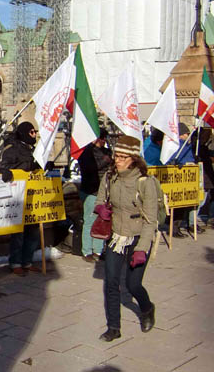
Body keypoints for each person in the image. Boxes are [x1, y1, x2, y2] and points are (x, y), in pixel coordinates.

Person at [96, 136, 157, 342]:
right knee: (111, 282)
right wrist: (101, 209)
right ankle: (114, 327)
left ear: (133, 159)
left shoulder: (145, 182)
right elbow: (99, 198)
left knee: (133, 285)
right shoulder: (110, 176)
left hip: (138, 237)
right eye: (116, 156)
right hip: (116, 236)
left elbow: (150, 220)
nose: (118, 160)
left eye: (123, 157)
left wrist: (142, 248)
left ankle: (147, 308)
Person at [0, 121, 42, 275]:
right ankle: (16, 262)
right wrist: (7, 171)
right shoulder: (13, 149)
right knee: (19, 232)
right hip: (18, 196)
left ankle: (27, 261)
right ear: (23, 133)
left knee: (33, 231)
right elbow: (3, 166)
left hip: (33, 196)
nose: (34, 135)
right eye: (31, 132)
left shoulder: (32, 149)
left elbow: (33, 166)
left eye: (35, 132)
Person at [77, 128, 112, 262]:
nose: (103, 141)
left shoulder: (106, 151)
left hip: (104, 190)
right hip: (91, 190)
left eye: (104, 139)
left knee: (102, 220)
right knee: (90, 220)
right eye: (101, 138)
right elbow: (90, 168)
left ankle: (98, 250)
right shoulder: (87, 152)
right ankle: (87, 251)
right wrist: (105, 161)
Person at [167, 123, 201, 236]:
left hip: (187, 180)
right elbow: (170, 159)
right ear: (181, 134)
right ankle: (174, 229)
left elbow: (189, 158)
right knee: (177, 207)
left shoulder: (188, 146)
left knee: (183, 206)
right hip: (178, 180)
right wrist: (177, 163)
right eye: (186, 133)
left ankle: (179, 227)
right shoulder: (175, 145)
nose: (188, 135)